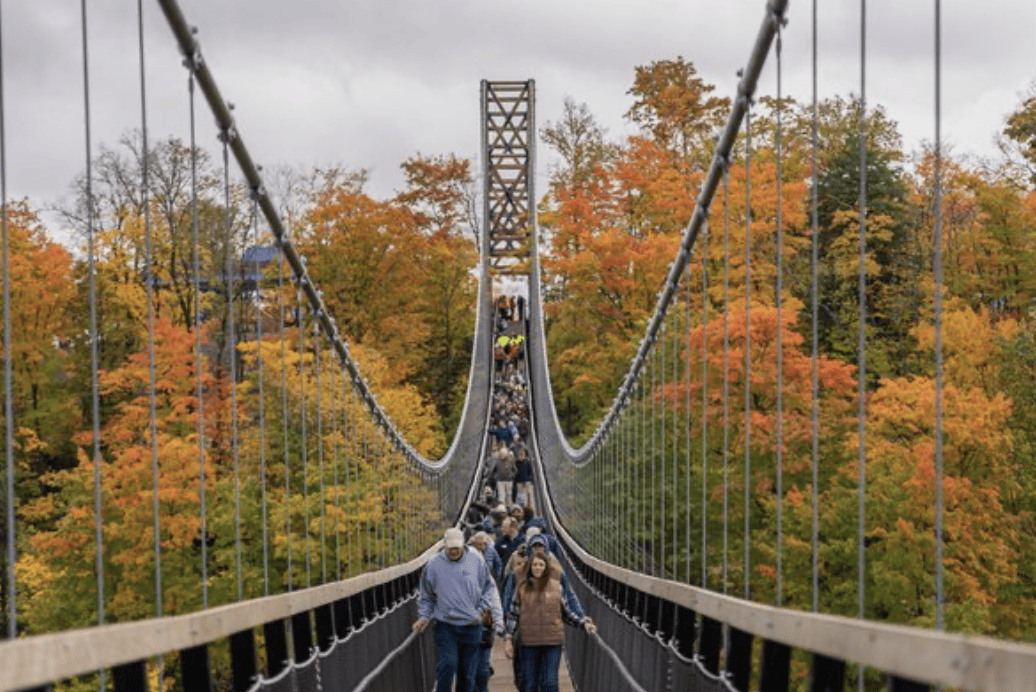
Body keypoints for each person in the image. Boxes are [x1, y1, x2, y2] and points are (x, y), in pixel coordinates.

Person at [414, 527, 503, 692]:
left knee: (467, 674)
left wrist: (482, 608)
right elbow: (426, 594)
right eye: (450, 548)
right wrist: (424, 616)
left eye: (457, 547)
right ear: (445, 546)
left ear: (463, 545)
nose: (454, 551)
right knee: (447, 665)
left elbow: (488, 587)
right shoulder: (433, 565)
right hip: (446, 625)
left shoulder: (476, 559)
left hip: (472, 625)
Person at [504, 552, 596, 692]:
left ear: (546, 567)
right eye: (534, 565)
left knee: (550, 684)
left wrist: (583, 623)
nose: (537, 568)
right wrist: (508, 639)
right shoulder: (522, 589)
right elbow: (513, 616)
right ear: (530, 567)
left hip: (552, 643)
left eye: (541, 565)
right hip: (529, 643)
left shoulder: (556, 587)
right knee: (529, 685)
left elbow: (567, 613)